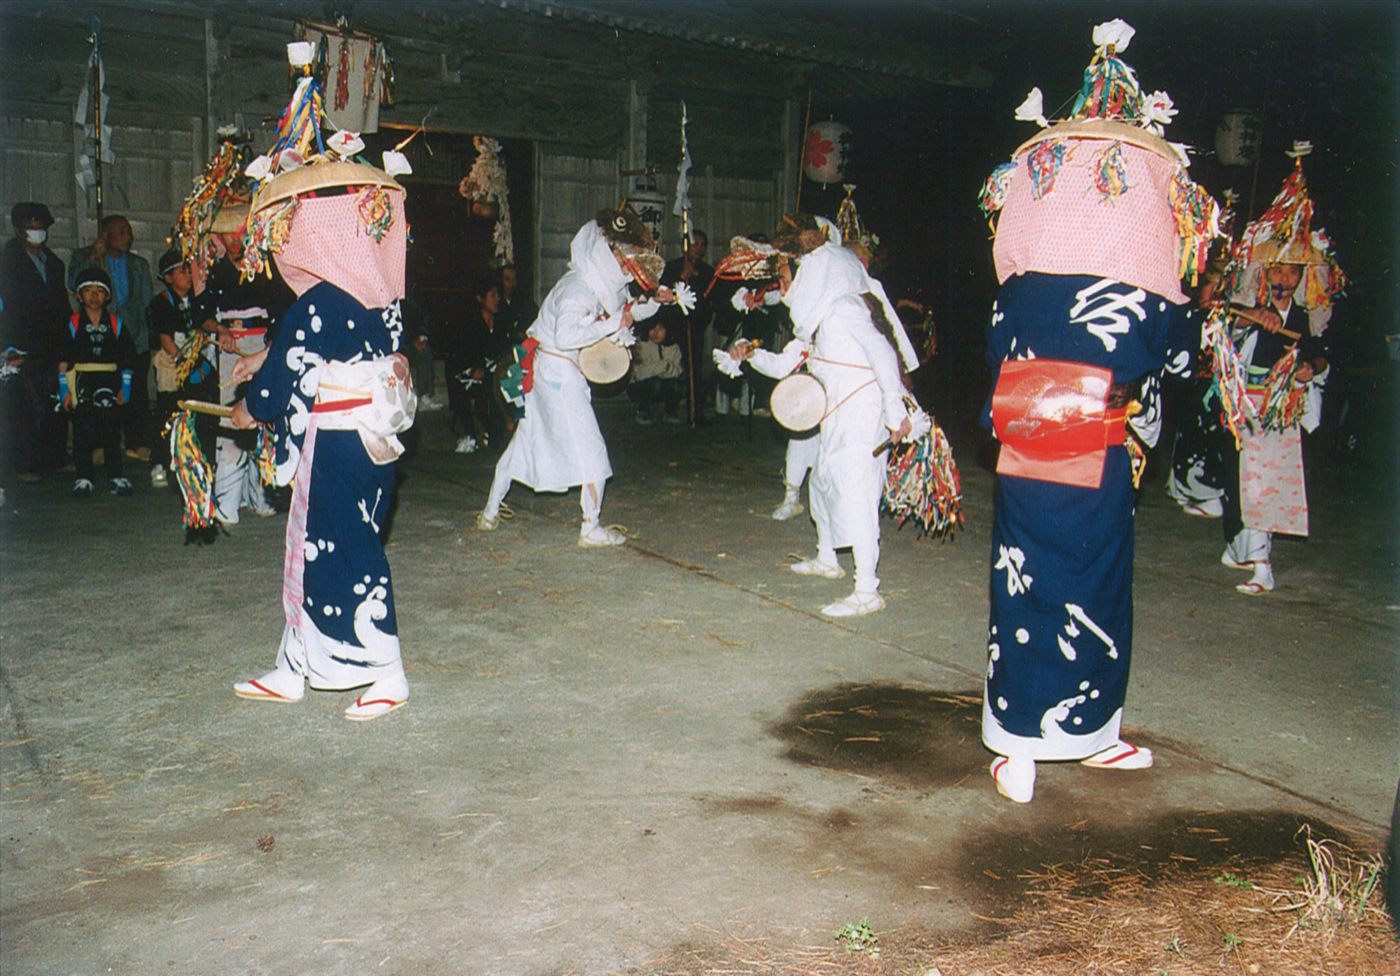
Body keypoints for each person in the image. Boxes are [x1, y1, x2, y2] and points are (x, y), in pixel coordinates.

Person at [974, 21, 1211, 803]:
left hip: (1024, 428)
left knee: (1034, 579)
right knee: (1088, 579)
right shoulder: (1143, 291)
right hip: (1084, 430)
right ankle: (1034, 741)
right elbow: (1175, 357)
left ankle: (1066, 737)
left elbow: (997, 346)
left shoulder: (1020, 283)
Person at [227, 66, 415, 720]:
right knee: (321, 548)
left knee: (344, 549)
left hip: (335, 442)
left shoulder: (321, 302)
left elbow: (286, 380)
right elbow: (314, 356)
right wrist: (265, 364)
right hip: (370, 440)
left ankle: (387, 669)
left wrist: (249, 403)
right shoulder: (380, 297)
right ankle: (295, 664)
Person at [730, 215, 913, 617]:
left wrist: (895, 409)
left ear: (808, 272)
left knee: (856, 491)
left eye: (783, 274)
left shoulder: (844, 308)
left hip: (862, 416)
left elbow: (884, 356)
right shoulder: (816, 316)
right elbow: (783, 367)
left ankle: (867, 590)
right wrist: (749, 354)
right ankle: (827, 557)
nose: (780, 284)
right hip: (835, 413)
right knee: (824, 483)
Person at [475, 209, 667, 546]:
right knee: (591, 450)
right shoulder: (579, 287)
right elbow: (567, 335)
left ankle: (490, 511)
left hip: (552, 373)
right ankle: (590, 527)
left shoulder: (595, 283)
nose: (627, 266)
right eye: (623, 257)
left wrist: (657, 300)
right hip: (558, 374)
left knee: (523, 443)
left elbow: (625, 312)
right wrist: (613, 324)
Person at [193, 208, 289, 524]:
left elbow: (281, 311)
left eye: (239, 235)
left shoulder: (265, 268)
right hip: (230, 348)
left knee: (265, 416)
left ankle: (262, 497)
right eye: (228, 236)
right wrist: (220, 331)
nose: (234, 242)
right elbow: (201, 313)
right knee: (232, 418)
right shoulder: (215, 271)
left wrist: (269, 350)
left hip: (262, 346)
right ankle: (226, 504)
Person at [68, 215, 154, 463]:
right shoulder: (87, 257)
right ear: (105, 235)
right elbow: (73, 282)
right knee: (100, 393)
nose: (128, 236)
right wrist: (92, 257)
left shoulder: (138, 264)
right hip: (101, 340)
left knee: (136, 393)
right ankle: (99, 447)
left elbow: (146, 302)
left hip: (134, 337)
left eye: (129, 231)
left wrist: (146, 336)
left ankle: (137, 443)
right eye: (121, 232)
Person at [0, 202, 70, 480]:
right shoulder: (6, 263)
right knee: (23, 405)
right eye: (31, 226)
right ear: (18, 229)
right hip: (19, 343)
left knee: (53, 400)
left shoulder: (54, 264)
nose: (37, 231)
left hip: (50, 343)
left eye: (41, 227)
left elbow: (62, 305)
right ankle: (26, 464)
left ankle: (55, 458)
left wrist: (66, 341)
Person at [58, 267, 136, 497]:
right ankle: (84, 477)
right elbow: (63, 359)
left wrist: (126, 386)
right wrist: (64, 390)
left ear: (108, 296)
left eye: (99, 291)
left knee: (111, 429)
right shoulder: (72, 323)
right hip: (82, 381)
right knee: (83, 430)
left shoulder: (116, 323)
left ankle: (116, 475)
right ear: (79, 296)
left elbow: (127, 356)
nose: (94, 296)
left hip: (109, 381)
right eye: (88, 291)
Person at [148, 248, 218, 490]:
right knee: (169, 415)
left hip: (195, 362)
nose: (189, 276)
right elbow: (164, 336)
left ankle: (195, 461)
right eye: (182, 271)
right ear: (167, 278)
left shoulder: (198, 301)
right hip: (174, 363)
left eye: (191, 271)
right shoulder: (160, 303)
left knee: (198, 412)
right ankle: (159, 463)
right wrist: (181, 361)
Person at [446, 278, 513, 453]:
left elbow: (504, 350)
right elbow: (461, 353)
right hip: (470, 372)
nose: (497, 299)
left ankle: (496, 434)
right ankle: (471, 435)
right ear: (480, 299)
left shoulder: (501, 322)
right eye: (492, 295)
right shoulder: (469, 323)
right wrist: (473, 369)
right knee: (464, 390)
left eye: (498, 295)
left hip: (494, 372)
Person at [660, 230, 714, 425]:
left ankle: (695, 411)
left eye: (702, 244)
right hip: (673, 324)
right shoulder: (673, 266)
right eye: (695, 243)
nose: (698, 248)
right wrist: (682, 277)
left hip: (695, 326)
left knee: (694, 369)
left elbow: (708, 300)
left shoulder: (707, 271)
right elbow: (663, 291)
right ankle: (671, 408)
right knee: (672, 365)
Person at [627, 319, 684, 424]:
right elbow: (639, 372)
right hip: (640, 386)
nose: (656, 333)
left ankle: (670, 411)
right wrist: (663, 366)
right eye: (652, 329)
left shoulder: (673, 347)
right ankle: (643, 411)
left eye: (660, 329)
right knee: (655, 383)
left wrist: (665, 369)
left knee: (675, 385)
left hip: (664, 383)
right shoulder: (641, 345)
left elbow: (677, 371)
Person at [496, 263, 538, 343]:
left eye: (514, 279)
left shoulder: (524, 300)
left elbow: (535, 317)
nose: (511, 284)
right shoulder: (496, 303)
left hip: (523, 347)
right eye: (507, 279)